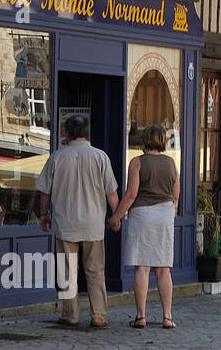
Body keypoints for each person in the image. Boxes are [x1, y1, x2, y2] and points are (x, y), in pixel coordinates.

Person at [36, 115, 120, 328]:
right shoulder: (100, 157)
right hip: (93, 223)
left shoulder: (57, 157)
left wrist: (43, 214)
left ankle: (70, 314)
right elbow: (112, 192)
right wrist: (116, 216)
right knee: (95, 270)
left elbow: (44, 191)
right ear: (87, 132)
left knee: (67, 270)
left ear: (66, 133)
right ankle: (98, 314)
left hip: (66, 223)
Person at [112, 125, 180, 329]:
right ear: (162, 140)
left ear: (144, 139)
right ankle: (167, 317)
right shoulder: (171, 164)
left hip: (142, 214)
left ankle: (141, 316)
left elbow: (131, 194)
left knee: (142, 267)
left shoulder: (137, 163)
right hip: (165, 214)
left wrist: (116, 216)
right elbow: (176, 195)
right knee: (163, 269)